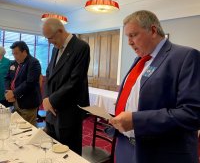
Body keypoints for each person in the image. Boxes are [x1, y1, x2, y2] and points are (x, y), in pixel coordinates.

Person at [109, 10, 200, 163]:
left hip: (161, 153)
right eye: (127, 37)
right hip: (127, 147)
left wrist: (136, 120)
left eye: (133, 35)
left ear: (152, 30)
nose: (129, 42)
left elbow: (193, 114)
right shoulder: (140, 59)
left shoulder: (186, 56)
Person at [42, 18, 90, 155]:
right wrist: (46, 97)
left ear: (60, 31)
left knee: (69, 154)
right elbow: (48, 73)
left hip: (69, 112)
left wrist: (51, 100)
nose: (49, 42)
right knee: (53, 150)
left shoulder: (81, 47)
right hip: (52, 111)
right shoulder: (55, 49)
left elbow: (74, 81)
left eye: (50, 38)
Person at [5, 41, 42, 126]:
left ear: (24, 52)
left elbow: (30, 83)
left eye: (16, 53)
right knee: (17, 126)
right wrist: (8, 91)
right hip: (16, 101)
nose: (14, 56)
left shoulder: (33, 63)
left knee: (28, 129)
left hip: (28, 102)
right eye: (13, 54)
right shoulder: (14, 63)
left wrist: (13, 93)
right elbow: (7, 78)